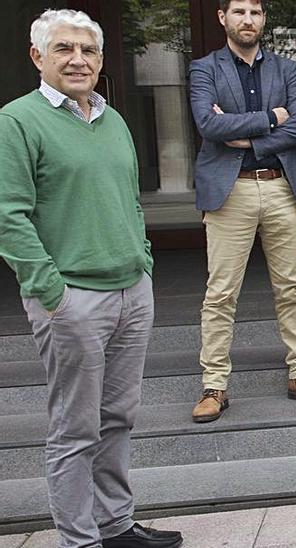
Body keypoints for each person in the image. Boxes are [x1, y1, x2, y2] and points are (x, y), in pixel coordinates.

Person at [0, 9, 183, 548]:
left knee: (118, 417)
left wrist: (143, 260)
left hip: (132, 290)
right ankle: (80, 540)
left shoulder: (113, 119)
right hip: (72, 299)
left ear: (101, 61)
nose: (78, 59)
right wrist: (51, 291)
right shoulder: (17, 121)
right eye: (64, 49)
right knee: (75, 428)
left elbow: (128, 198)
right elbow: (8, 215)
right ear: (38, 57)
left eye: (88, 50)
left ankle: (116, 524)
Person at [188, 0, 296, 424]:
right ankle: (214, 386)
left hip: (281, 187)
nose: (247, 20)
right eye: (238, 12)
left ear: (263, 18)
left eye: (254, 12)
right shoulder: (205, 68)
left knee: (292, 286)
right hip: (229, 193)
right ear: (223, 18)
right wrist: (272, 117)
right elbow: (208, 126)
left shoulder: (286, 69)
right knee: (221, 294)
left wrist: (248, 138)